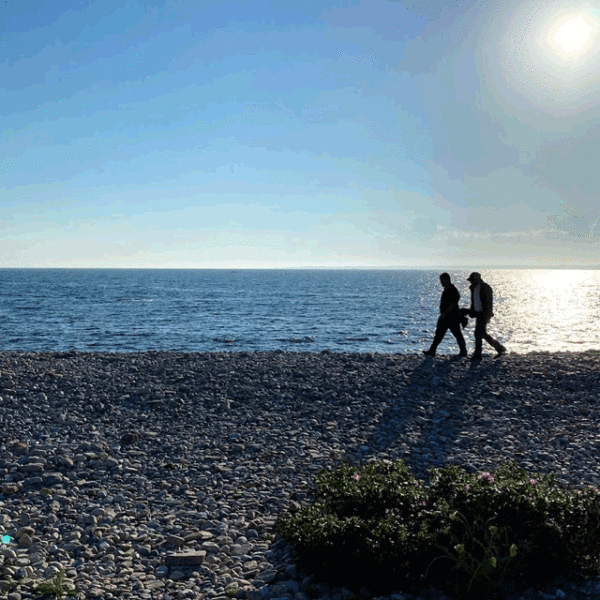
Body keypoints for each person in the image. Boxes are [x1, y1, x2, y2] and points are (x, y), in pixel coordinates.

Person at [423, 273, 467, 357]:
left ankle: (463, 351)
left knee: (457, 334)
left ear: (447, 279)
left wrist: (445, 314)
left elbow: (454, 303)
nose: (441, 282)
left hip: (451, 317)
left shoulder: (453, 290)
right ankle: (432, 350)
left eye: (442, 280)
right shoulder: (446, 289)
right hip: (446, 316)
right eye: (440, 280)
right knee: (439, 334)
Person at [466, 272, 506, 360]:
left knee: (478, 333)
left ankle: (478, 354)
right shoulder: (474, 288)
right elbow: (474, 302)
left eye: (472, 280)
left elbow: (488, 302)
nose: (471, 282)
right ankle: (499, 348)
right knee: (481, 333)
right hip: (479, 313)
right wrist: (472, 311)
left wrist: (487, 314)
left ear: (476, 279)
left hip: (484, 314)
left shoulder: (485, 288)